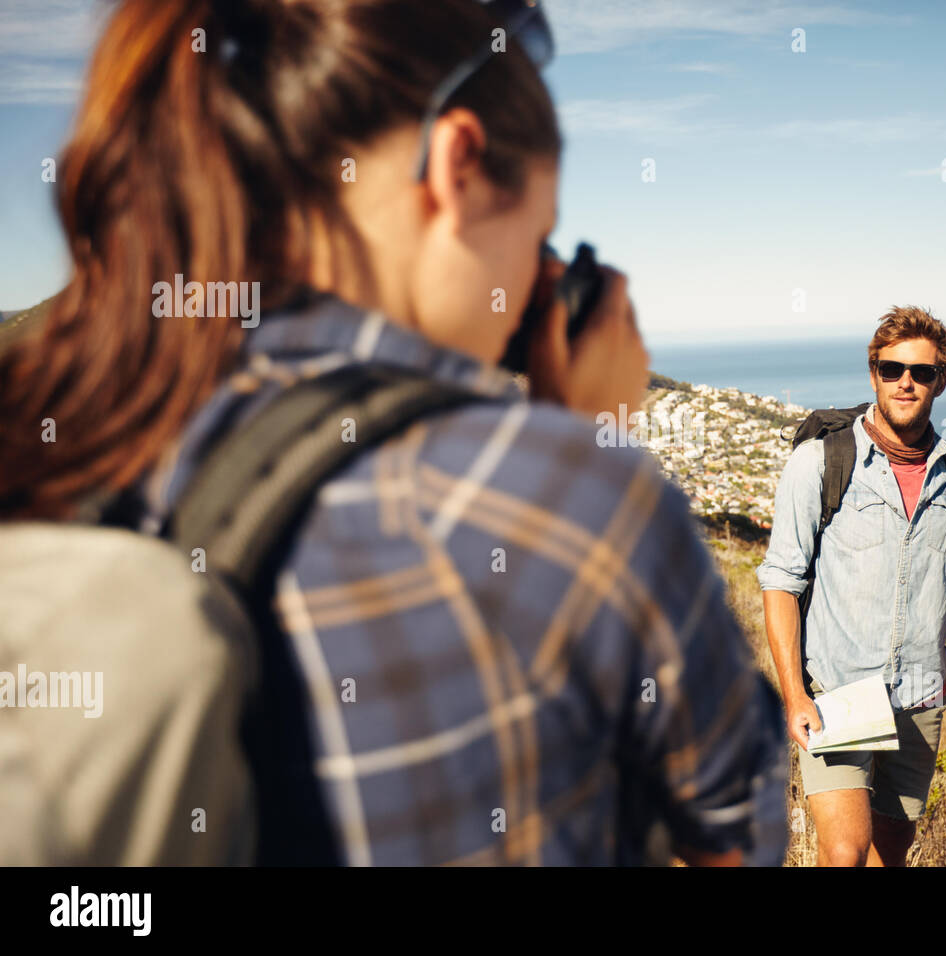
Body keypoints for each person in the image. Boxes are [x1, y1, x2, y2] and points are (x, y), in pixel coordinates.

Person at [0, 0, 786, 866]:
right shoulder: (566, 494)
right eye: (541, 231)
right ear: (455, 165)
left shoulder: (73, 421)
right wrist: (590, 439)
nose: (535, 278)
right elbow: (735, 838)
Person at [757, 306, 946, 867]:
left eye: (921, 371)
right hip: (835, 693)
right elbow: (780, 582)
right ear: (873, 375)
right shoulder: (820, 463)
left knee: (891, 852)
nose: (905, 382)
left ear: (942, 380)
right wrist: (794, 694)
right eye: (891, 369)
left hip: (919, 700)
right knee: (845, 852)